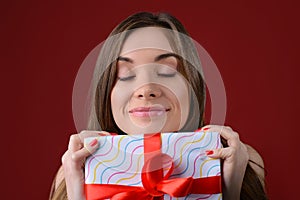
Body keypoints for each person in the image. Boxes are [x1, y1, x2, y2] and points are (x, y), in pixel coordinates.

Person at [49, 12, 267, 200]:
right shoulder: (74, 169)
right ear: (106, 91)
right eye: (125, 74)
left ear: (193, 86)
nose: (146, 89)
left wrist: (228, 191)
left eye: (167, 72)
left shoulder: (240, 161)